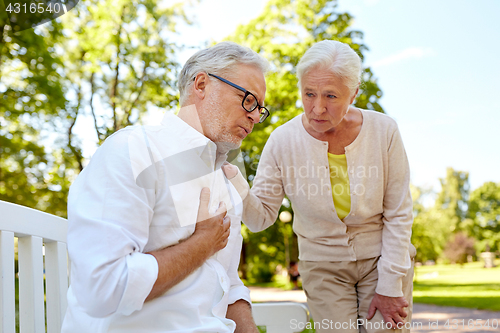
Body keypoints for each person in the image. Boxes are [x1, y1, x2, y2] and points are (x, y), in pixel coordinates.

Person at [61, 41, 270, 333]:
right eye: (248, 99)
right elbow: (103, 287)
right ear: (201, 85)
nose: (254, 115)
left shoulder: (225, 178)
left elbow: (227, 282)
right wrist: (201, 245)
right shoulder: (134, 149)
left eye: (260, 109)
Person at [223, 40, 416, 332]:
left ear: (353, 94)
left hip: (383, 260)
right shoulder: (282, 140)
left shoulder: (384, 131)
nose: (317, 108)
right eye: (309, 93)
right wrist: (234, 175)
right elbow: (259, 218)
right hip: (322, 267)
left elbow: (398, 213)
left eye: (331, 96)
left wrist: (390, 284)